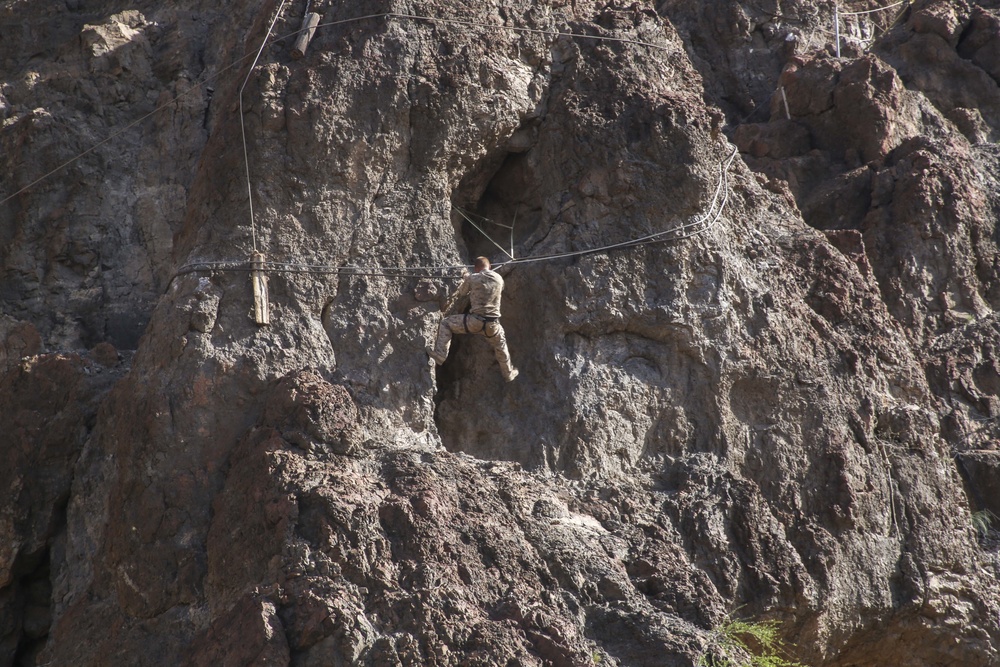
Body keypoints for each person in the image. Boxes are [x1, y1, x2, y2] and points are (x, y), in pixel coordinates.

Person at [427, 256, 518, 381]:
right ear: (489, 266)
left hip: (474, 322)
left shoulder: (473, 277)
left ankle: (440, 355)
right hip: (493, 326)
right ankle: (508, 373)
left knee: (446, 323)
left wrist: (466, 278)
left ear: (476, 268)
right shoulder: (499, 279)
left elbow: (463, 292)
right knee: (501, 347)